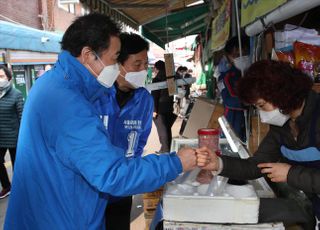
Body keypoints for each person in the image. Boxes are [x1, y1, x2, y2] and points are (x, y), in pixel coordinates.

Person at [4, 13, 209, 229]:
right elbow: (112, 174)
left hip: (56, 210)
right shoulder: (68, 103)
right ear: (88, 55)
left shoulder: (54, 83)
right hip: (61, 219)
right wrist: (176, 162)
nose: (115, 66)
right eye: (114, 59)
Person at [200, 60, 320, 228]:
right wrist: (219, 163)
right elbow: (256, 165)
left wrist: (291, 174)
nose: (262, 116)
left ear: (282, 93)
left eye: (262, 105)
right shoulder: (282, 126)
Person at [94, 32, 153, 230]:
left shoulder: (145, 100)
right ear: (118, 65)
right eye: (137, 64)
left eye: (145, 65)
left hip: (122, 188)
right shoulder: (96, 94)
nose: (143, 70)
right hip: (90, 188)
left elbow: (141, 142)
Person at [217, 36, 250, 142]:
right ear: (228, 57)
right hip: (232, 120)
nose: (241, 57)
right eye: (236, 55)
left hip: (251, 122)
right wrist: (252, 101)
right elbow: (230, 100)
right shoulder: (225, 77)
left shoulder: (254, 74)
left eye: (244, 54)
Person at [0, 65, 24, 199]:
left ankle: (19, 188)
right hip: (1, 136)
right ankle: (6, 186)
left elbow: (21, 115)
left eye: (1, 76)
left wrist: (24, 136)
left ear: (8, 78)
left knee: (17, 164)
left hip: (15, 136)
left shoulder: (16, 94)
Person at [152, 60, 177, 153]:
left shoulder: (157, 79)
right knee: (167, 128)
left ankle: (165, 150)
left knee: (162, 129)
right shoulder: (170, 79)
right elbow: (173, 93)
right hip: (169, 106)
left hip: (160, 107)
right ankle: (166, 148)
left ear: (157, 68)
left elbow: (154, 96)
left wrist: (154, 110)